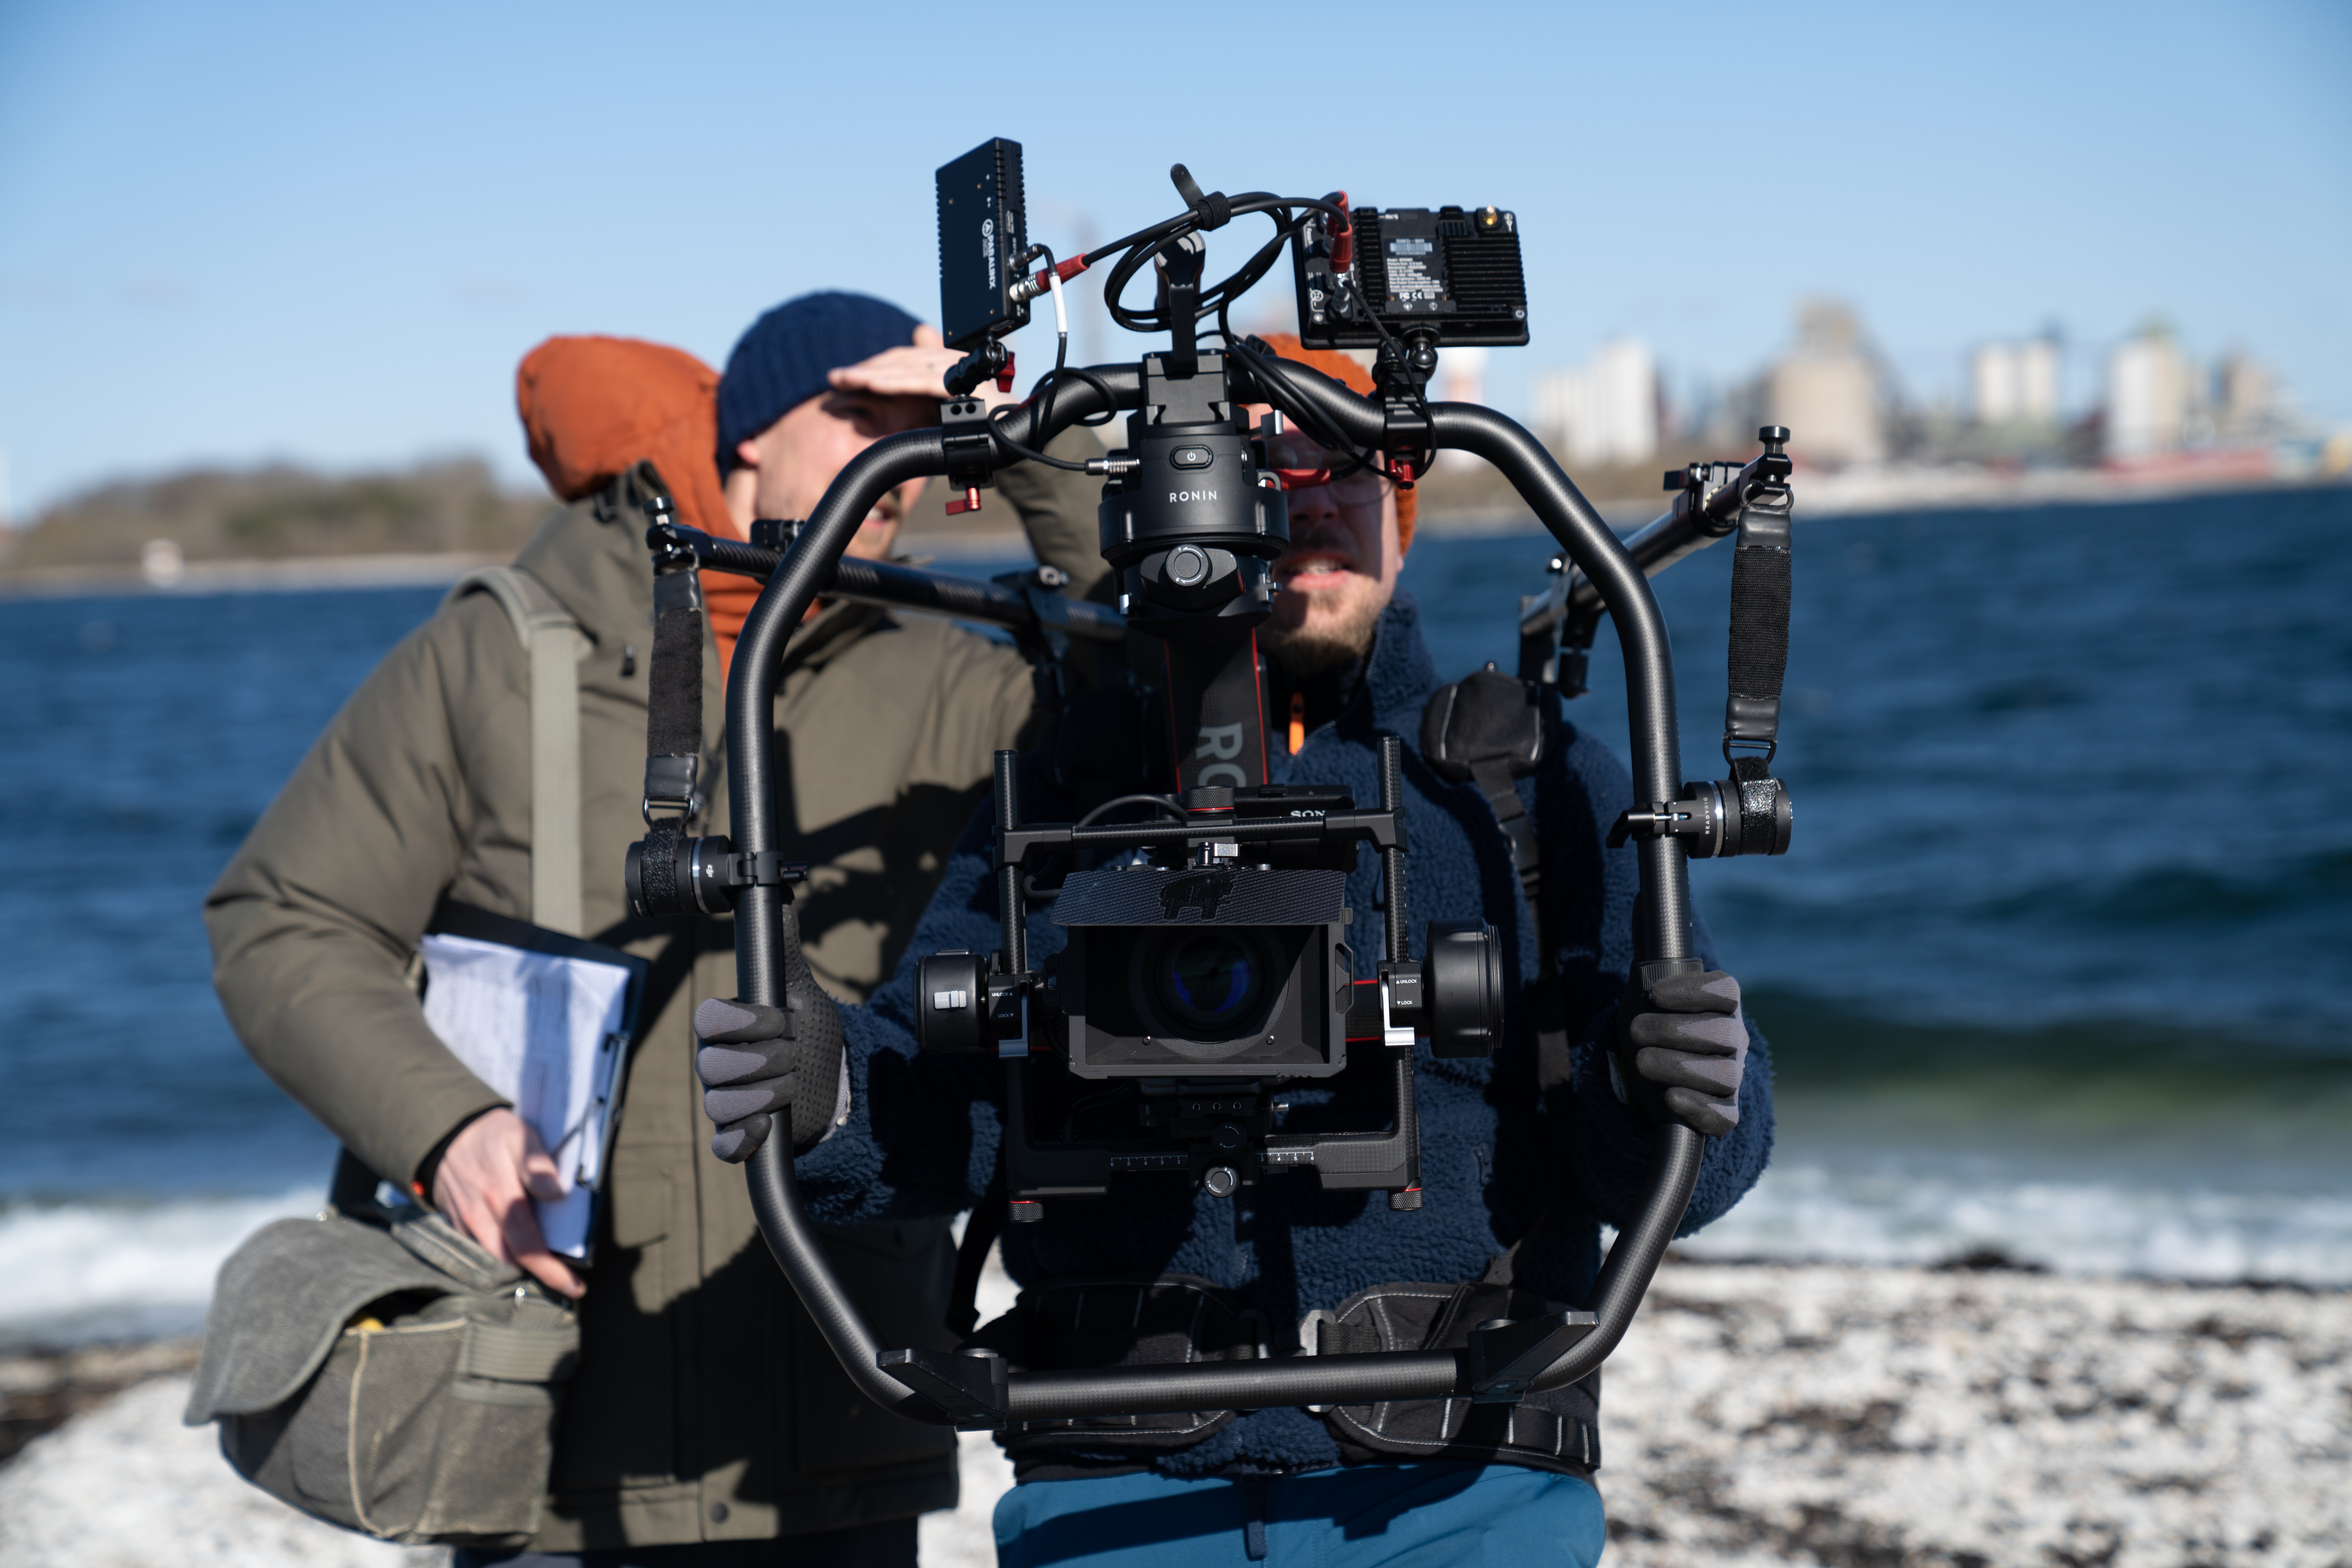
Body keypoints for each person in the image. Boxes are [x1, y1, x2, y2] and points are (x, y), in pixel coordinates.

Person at [691, 336, 1776, 1566]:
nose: (1305, 501)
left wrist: (1666, 1086)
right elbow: (941, 1113)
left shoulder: (1524, 786)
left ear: (1402, 519)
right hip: (1116, 1485)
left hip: (1462, 1490)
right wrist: (826, 1094)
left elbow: (1703, 1163)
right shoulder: (1067, 797)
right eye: (1266, 471)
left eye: (1344, 469)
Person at [205, 292, 1103, 1563]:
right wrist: (444, 1129)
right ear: (749, 434)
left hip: (834, 1429)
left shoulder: (959, 679)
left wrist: (1020, 433)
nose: (894, 463)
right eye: (860, 414)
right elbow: (286, 917)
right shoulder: (500, 654)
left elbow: (1158, 677)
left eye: (923, 430)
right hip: (548, 1422)